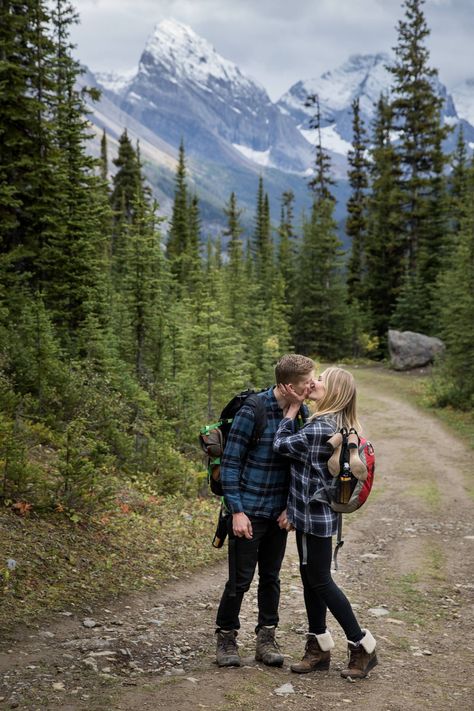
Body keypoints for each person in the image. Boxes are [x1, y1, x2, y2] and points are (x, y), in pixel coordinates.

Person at [273, 367, 378, 679]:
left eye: (320, 380)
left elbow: (281, 445)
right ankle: (318, 645)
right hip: (311, 513)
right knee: (309, 576)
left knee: (319, 579)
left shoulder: (320, 427)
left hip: (314, 515)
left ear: (334, 392)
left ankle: (362, 644)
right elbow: (307, 473)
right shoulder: (337, 423)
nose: (313, 383)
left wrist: (290, 411)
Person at [215, 354, 316, 668]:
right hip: (249, 510)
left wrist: (292, 507)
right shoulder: (253, 410)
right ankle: (226, 638)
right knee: (239, 580)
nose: (312, 386)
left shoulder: (302, 414)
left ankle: (266, 638)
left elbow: (303, 466)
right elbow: (230, 462)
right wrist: (236, 511)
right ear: (288, 386)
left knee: (271, 578)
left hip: (279, 514)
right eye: (307, 383)